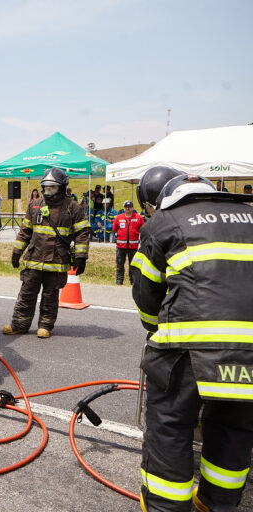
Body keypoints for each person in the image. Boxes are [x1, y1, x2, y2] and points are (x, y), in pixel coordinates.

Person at [131, 167, 253, 512]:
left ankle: (168, 506)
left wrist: (156, 330)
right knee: (235, 426)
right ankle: (219, 503)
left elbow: (147, 295)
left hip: (189, 349)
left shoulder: (165, 223)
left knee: (170, 425)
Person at [4, 167, 90, 339]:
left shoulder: (73, 208)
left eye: (53, 188)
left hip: (57, 261)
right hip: (34, 259)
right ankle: (19, 324)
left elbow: (82, 233)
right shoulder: (34, 205)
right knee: (26, 293)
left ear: (62, 188)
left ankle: (45, 325)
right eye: (46, 188)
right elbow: (25, 231)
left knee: (50, 296)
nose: (48, 192)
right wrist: (16, 252)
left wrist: (81, 257)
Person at [112, 200, 144, 285]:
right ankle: (119, 281)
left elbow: (143, 230)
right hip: (120, 247)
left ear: (133, 208)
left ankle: (133, 282)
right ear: (123, 208)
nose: (128, 209)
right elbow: (114, 230)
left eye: (129, 207)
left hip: (133, 247)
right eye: (126, 207)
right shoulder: (118, 218)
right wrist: (114, 239)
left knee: (133, 265)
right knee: (119, 265)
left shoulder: (138, 218)